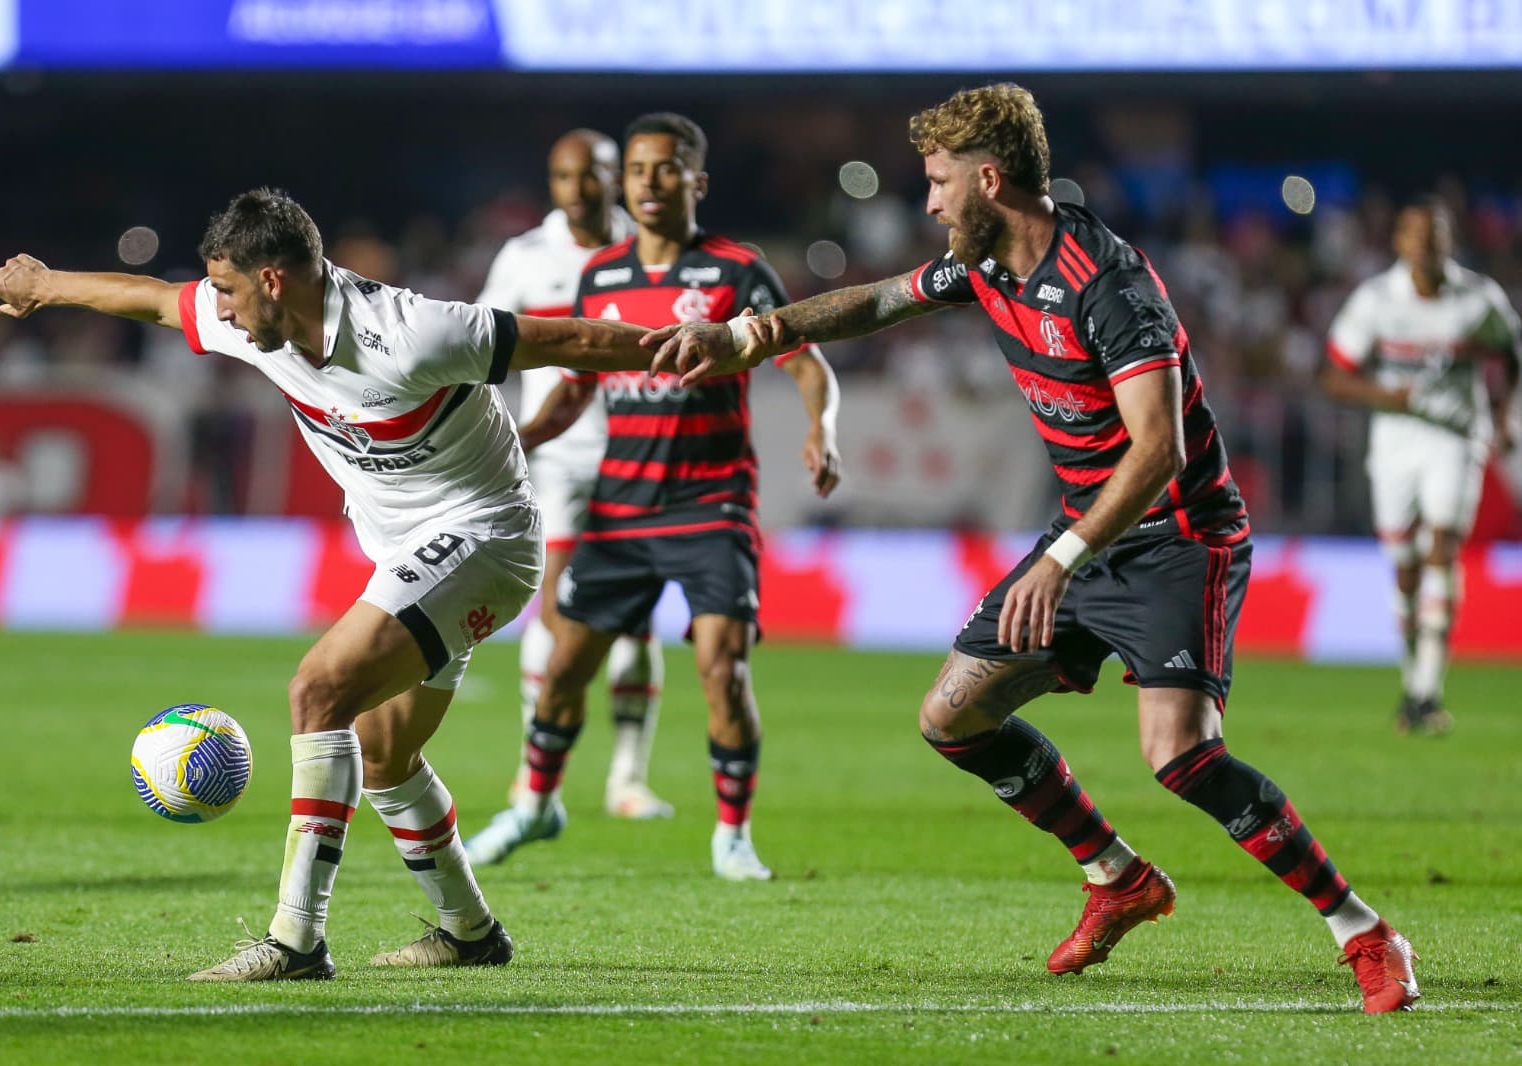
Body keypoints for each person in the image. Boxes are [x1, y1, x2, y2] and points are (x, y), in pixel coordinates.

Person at [646, 84, 1419, 1013]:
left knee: (1179, 755)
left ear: (988, 177)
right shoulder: (985, 264)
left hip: (1175, 534)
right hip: (1087, 530)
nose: (927, 203)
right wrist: (754, 332)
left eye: (937, 183)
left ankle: (1364, 931)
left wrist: (1062, 560)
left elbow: (1160, 449)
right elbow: (878, 304)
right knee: (951, 717)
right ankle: (1116, 875)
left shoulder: (1108, 284)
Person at [0, 187, 665, 982]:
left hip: (484, 538)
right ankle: (470, 932)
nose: (223, 313)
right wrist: (44, 285)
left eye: (233, 293)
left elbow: (577, 339)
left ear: (274, 280)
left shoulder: (413, 332)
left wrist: (698, 346)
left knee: (318, 691)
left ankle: (295, 940)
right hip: (412, 552)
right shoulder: (255, 323)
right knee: (385, 753)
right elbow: (155, 302)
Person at [463, 113, 842, 881]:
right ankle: (536, 805)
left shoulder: (737, 270)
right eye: (638, 169)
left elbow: (803, 358)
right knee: (564, 666)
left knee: (721, 669)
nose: (649, 182)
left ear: (697, 181)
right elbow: (573, 390)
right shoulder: (600, 275)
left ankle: (732, 836)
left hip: (712, 502)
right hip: (621, 504)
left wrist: (821, 428)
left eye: (667, 169)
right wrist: (518, 441)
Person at [476, 129, 673, 821]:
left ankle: (627, 779)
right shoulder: (526, 256)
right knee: (555, 606)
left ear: (617, 178)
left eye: (594, 175)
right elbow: (481, 351)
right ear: (552, 183)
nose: (580, 189)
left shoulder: (653, 249)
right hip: (556, 455)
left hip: (642, 454)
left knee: (637, 621)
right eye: (566, 177)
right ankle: (538, 777)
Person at [1323, 197, 1520, 734]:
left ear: (1449, 243)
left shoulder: (1478, 299)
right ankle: (1415, 681)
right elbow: (1335, 374)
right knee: (1405, 566)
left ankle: (1428, 689)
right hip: (1395, 442)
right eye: (1417, 237)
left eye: (1436, 237)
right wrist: (1394, 398)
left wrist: (1504, 419)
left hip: (1457, 439)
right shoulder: (1378, 300)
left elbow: (1512, 352)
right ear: (1400, 243)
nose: (1427, 248)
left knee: (1442, 547)